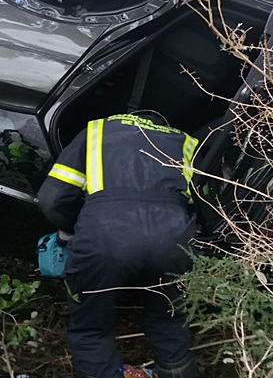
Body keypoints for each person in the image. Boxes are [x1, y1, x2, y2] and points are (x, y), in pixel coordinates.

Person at [38, 111, 200, 378]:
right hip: (172, 240)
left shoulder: (96, 131)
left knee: (92, 329)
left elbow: (53, 199)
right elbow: (206, 206)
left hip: (105, 237)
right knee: (169, 320)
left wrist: (69, 233)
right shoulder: (186, 142)